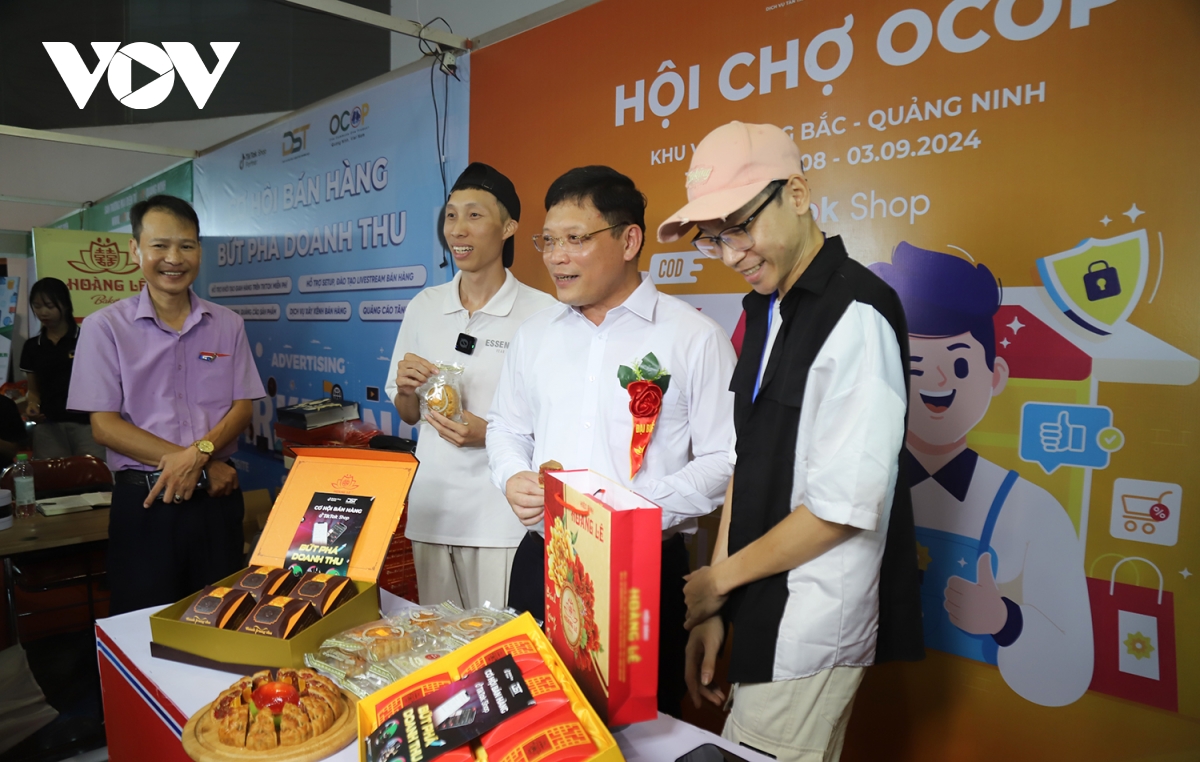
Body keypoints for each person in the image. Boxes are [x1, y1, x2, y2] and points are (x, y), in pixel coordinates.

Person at [664, 122, 921, 761]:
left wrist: (718, 581)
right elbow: (748, 462)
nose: (730, 255)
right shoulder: (765, 309)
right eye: (713, 238)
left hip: (810, 622)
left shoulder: (856, 316)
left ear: (798, 194)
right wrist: (716, 604)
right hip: (759, 604)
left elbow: (841, 509)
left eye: (739, 227)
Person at [487, 165, 736, 718]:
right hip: (542, 560)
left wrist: (627, 509)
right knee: (528, 717)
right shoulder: (534, 336)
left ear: (629, 241)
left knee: (638, 734)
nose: (556, 257)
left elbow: (725, 458)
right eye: (548, 241)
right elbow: (506, 426)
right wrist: (511, 475)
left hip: (643, 574)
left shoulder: (694, 338)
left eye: (575, 239)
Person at [870, 242, 1093, 707]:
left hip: (980, 712)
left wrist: (1005, 621)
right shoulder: (862, 480)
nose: (936, 384)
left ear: (996, 376)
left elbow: (1072, 669)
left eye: (958, 364)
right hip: (869, 694)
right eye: (913, 367)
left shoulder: (1035, 510)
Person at [68, 194, 265, 615]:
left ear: (199, 251)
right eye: (160, 245)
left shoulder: (228, 324)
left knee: (223, 621)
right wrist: (198, 462)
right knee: (143, 625)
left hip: (216, 502)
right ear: (135, 250)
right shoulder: (105, 328)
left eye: (186, 245)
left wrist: (199, 456)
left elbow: (242, 408)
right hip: (146, 505)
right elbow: (104, 426)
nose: (174, 258)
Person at [384, 162, 557, 609]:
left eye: (474, 215)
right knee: (438, 644)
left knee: (499, 645)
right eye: (451, 215)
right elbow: (408, 414)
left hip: (505, 520)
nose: (458, 229)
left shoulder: (544, 313)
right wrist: (406, 391)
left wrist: (490, 434)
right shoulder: (424, 306)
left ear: (509, 227)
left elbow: (560, 424)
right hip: (433, 513)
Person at [21, 277, 106, 461]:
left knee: (95, 474)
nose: (43, 312)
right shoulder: (33, 346)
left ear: (65, 305)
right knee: (52, 477)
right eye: (37, 306)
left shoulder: (86, 338)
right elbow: (33, 390)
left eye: (49, 306)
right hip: (49, 426)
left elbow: (103, 383)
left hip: (88, 424)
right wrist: (33, 406)